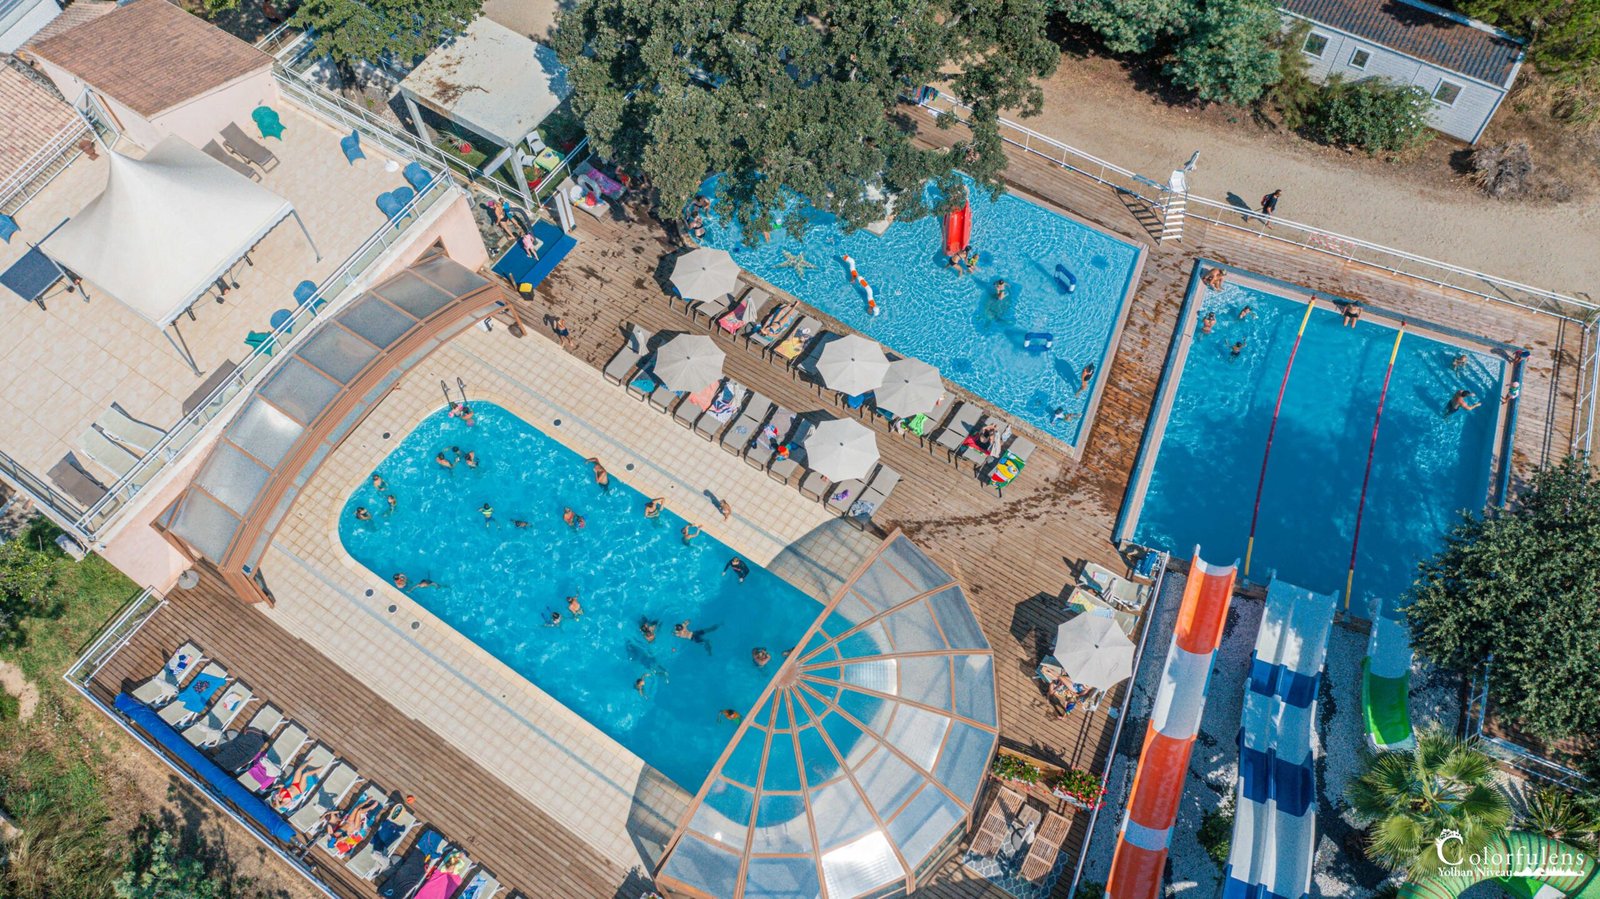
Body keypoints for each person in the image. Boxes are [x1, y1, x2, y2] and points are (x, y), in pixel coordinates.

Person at [269, 757, 334, 811]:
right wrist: (277, 799)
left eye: (274, 799)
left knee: (298, 770)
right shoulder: (284, 802)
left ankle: (308, 761)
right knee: (305, 775)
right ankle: (319, 769)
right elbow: (279, 806)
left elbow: (282, 786)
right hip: (300, 789)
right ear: (278, 802)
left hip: (294, 784)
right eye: (275, 800)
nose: (275, 797)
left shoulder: (280, 793)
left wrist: (277, 786)